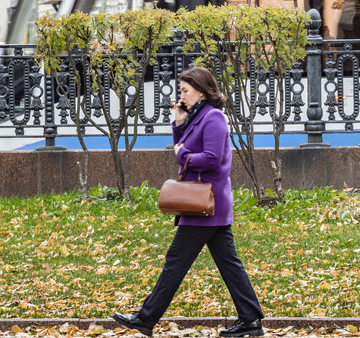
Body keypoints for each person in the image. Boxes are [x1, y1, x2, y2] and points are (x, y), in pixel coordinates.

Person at [113, 67, 264, 338]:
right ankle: (251, 320)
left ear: (202, 91)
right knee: (229, 263)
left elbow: (211, 158)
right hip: (207, 205)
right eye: (180, 90)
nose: (180, 95)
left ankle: (145, 319)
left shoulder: (214, 118)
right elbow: (181, 150)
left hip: (206, 204)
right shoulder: (199, 117)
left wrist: (183, 153)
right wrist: (179, 124)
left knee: (175, 261)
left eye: (185, 90)